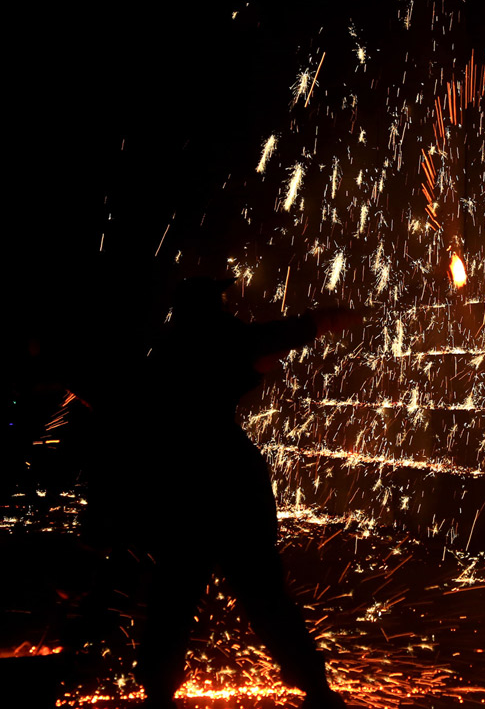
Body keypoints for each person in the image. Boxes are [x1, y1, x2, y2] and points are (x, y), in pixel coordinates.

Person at [99, 277, 364, 709]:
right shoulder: (214, 338)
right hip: (225, 487)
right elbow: (268, 339)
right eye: (222, 304)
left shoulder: (167, 351)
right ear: (208, 311)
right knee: (263, 593)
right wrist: (326, 320)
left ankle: (158, 692)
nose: (230, 310)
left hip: (178, 487)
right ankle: (315, 688)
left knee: (174, 595)